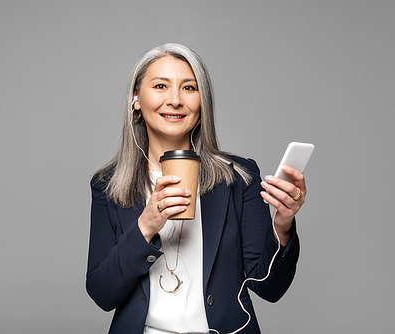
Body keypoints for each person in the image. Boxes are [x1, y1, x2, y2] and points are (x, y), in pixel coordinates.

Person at [86, 43, 305, 334]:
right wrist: (145, 226)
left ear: (202, 102)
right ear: (136, 99)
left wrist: (282, 225)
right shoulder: (108, 185)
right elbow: (102, 293)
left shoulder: (238, 177)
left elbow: (269, 288)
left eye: (189, 88)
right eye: (161, 86)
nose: (175, 100)